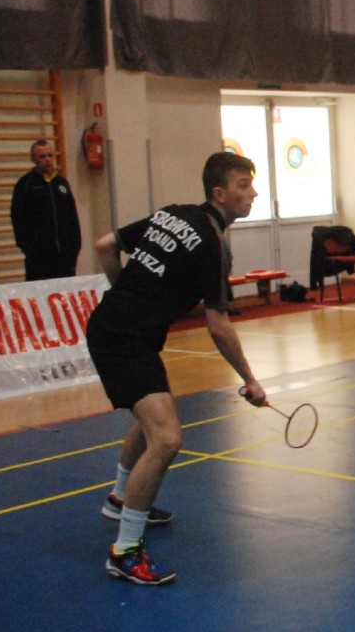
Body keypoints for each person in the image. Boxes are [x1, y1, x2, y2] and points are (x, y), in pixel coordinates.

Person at [87, 151, 267, 586]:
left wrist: (125, 292)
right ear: (220, 193)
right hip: (123, 338)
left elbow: (105, 245)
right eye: (244, 185)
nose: (253, 193)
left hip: (121, 326)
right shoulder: (214, 247)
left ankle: (120, 498)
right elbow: (218, 325)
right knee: (167, 439)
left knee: (154, 417)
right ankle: (125, 551)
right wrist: (250, 379)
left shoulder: (174, 213)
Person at [10, 140, 81, 280]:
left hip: (65, 255)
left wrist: (75, 247)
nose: (47, 160)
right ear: (33, 159)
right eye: (42, 156)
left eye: (50, 155)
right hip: (38, 257)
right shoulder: (25, 184)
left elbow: (72, 217)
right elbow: (18, 219)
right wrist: (28, 248)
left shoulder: (62, 183)